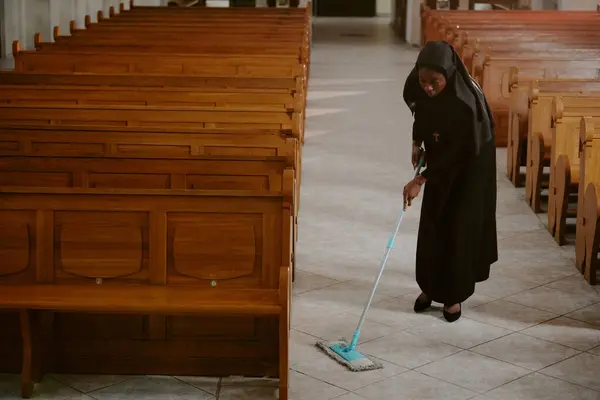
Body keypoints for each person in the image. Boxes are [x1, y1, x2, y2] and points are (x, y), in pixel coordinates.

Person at [401, 41, 498, 322]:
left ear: (449, 76)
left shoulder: (465, 105)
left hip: (470, 169)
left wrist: (421, 178)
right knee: (433, 223)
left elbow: (460, 153)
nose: (428, 87)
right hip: (443, 157)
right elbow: (421, 110)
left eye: (435, 82)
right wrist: (417, 141)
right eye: (423, 81)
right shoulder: (419, 87)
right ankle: (430, 287)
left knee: (457, 229)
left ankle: (453, 295)